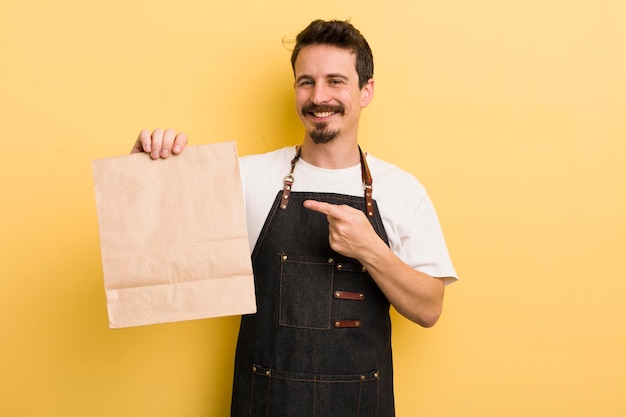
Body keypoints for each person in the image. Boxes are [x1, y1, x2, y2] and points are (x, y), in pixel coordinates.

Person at [131, 19, 457, 417]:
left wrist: (371, 250)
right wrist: (143, 174)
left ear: (366, 90)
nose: (319, 96)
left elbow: (429, 309)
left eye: (335, 81)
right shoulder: (246, 177)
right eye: (306, 81)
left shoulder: (402, 190)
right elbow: (155, 256)